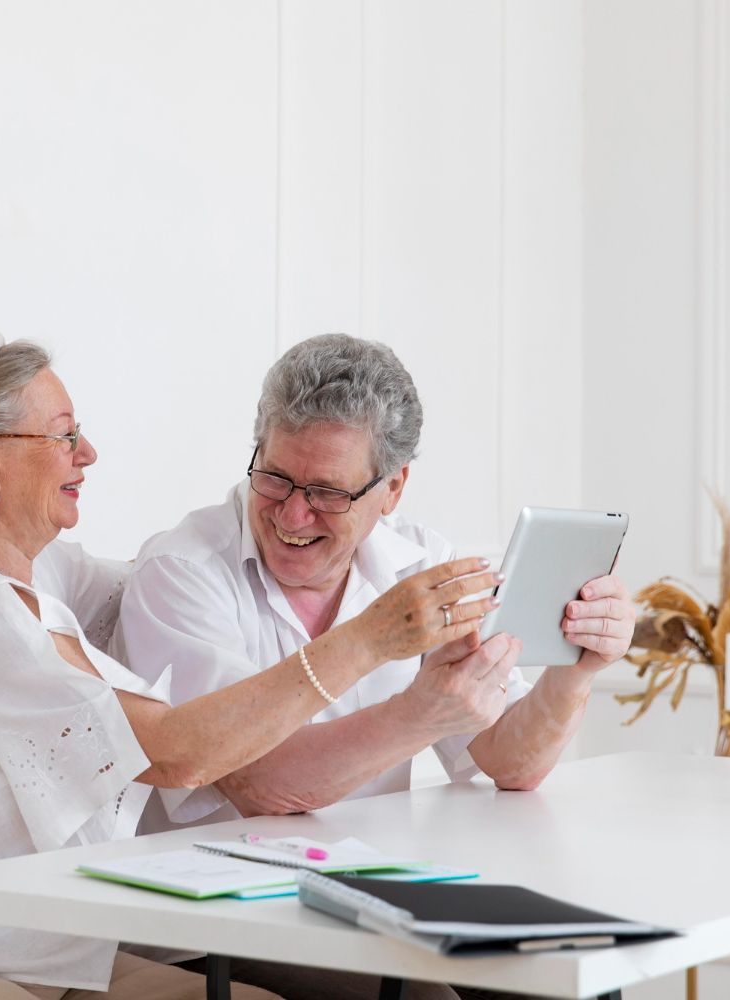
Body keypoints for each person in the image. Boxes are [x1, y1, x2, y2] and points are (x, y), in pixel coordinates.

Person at [0, 328, 495, 1000]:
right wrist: (366, 642)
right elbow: (175, 757)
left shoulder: (43, 568)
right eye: (64, 435)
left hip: (50, 959)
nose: (89, 452)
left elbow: (143, 579)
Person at [115, 334, 636, 1000]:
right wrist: (414, 704)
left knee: (560, 985)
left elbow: (511, 762)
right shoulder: (182, 573)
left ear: (393, 489)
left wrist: (576, 668)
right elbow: (259, 785)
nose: (292, 514)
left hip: (370, 900)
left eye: (328, 493)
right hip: (219, 918)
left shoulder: (420, 564)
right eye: (274, 478)